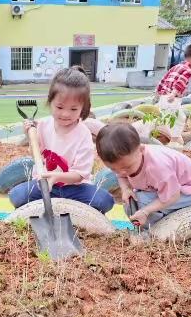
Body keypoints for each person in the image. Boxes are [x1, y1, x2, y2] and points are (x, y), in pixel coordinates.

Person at [8, 67, 114, 213]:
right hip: (45, 186)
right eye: (59, 107)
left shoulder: (83, 134)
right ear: (50, 101)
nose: (65, 114)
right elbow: (36, 156)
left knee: (104, 200)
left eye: (73, 109)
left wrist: (56, 176)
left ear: (83, 108)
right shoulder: (43, 126)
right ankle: (53, 205)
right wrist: (30, 135)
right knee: (17, 195)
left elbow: (79, 175)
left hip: (75, 189)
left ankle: (65, 206)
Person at [96, 123, 191, 229]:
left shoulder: (158, 168)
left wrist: (145, 211)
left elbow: (173, 195)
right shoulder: (127, 162)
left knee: (142, 202)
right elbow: (121, 175)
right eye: (114, 169)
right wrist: (126, 189)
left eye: (127, 167)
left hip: (189, 191)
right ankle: (144, 223)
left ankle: (155, 229)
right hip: (167, 186)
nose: (121, 172)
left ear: (141, 150)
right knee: (131, 201)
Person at [155, 42, 191, 144]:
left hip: (163, 97)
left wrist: (158, 92)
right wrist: (173, 94)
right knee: (179, 118)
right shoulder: (188, 70)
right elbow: (180, 83)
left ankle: (170, 138)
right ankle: (174, 140)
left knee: (167, 118)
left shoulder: (176, 67)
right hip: (172, 99)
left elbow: (163, 79)